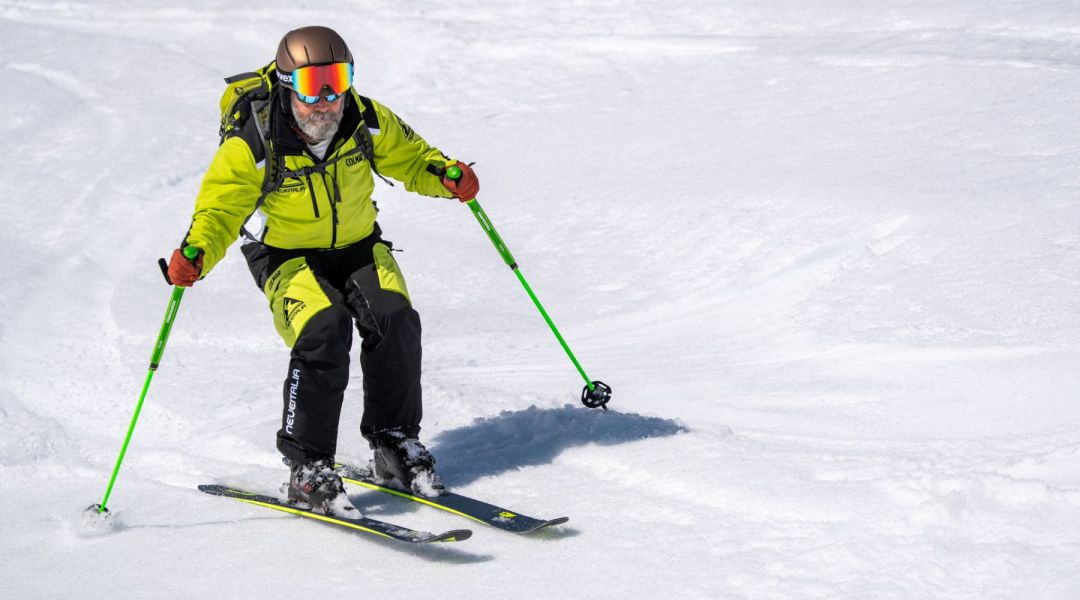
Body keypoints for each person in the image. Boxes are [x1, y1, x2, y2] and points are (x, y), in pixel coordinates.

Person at [166, 26, 479, 516]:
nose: (327, 100)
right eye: (314, 86)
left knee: (394, 317)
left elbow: (414, 159)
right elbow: (220, 210)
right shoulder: (256, 141)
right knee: (323, 330)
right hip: (285, 255)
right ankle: (308, 468)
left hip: (357, 245)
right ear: (289, 85)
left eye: (339, 79)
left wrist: (446, 175)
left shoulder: (364, 119)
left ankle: (393, 441)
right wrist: (197, 251)